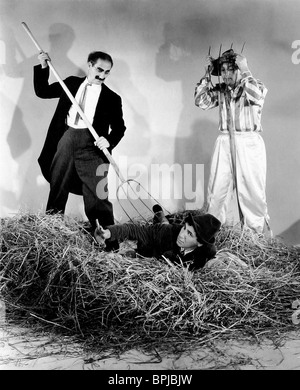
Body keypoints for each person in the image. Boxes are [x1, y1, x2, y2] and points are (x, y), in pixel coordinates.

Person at [34, 50, 127, 249]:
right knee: (58, 186)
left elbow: (120, 128)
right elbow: (42, 91)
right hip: (66, 139)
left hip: (92, 146)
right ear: (90, 65)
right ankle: (51, 233)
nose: (102, 76)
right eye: (99, 70)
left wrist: (108, 141)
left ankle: (108, 241)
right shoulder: (70, 84)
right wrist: (43, 66)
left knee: (98, 194)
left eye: (107, 72)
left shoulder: (112, 98)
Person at [194, 48, 271, 234]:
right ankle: (213, 235)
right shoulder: (221, 90)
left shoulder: (254, 85)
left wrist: (245, 69)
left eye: (231, 69)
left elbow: (257, 96)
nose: (226, 74)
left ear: (239, 70)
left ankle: (254, 240)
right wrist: (206, 75)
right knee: (217, 191)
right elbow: (201, 101)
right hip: (225, 142)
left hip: (248, 143)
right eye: (223, 70)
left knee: (252, 192)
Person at [94, 205, 221, 271]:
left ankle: (161, 216)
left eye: (190, 234)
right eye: (184, 229)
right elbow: (134, 229)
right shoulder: (169, 232)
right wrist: (109, 233)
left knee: (165, 224)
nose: (182, 235)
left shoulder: (205, 253)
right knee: (163, 224)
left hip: (167, 233)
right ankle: (159, 214)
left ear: (199, 243)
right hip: (157, 240)